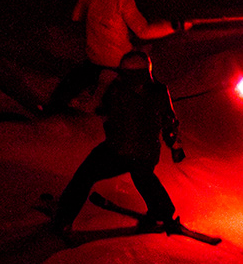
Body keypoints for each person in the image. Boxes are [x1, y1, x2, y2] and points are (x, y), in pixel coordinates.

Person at [47, 61, 184, 235]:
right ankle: (162, 212)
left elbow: (100, 109)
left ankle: (63, 218)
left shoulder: (119, 90)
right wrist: (175, 145)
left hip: (119, 150)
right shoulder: (157, 91)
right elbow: (169, 122)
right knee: (143, 176)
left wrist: (84, 107)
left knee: (87, 174)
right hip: (144, 152)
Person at [47, 0, 175, 116]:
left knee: (72, 83)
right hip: (117, 62)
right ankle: (161, 118)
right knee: (150, 90)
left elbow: (76, 18)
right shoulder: (120, 1)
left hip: (99, 60)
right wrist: (172, 26)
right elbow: (143, 31)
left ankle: (54, 109)